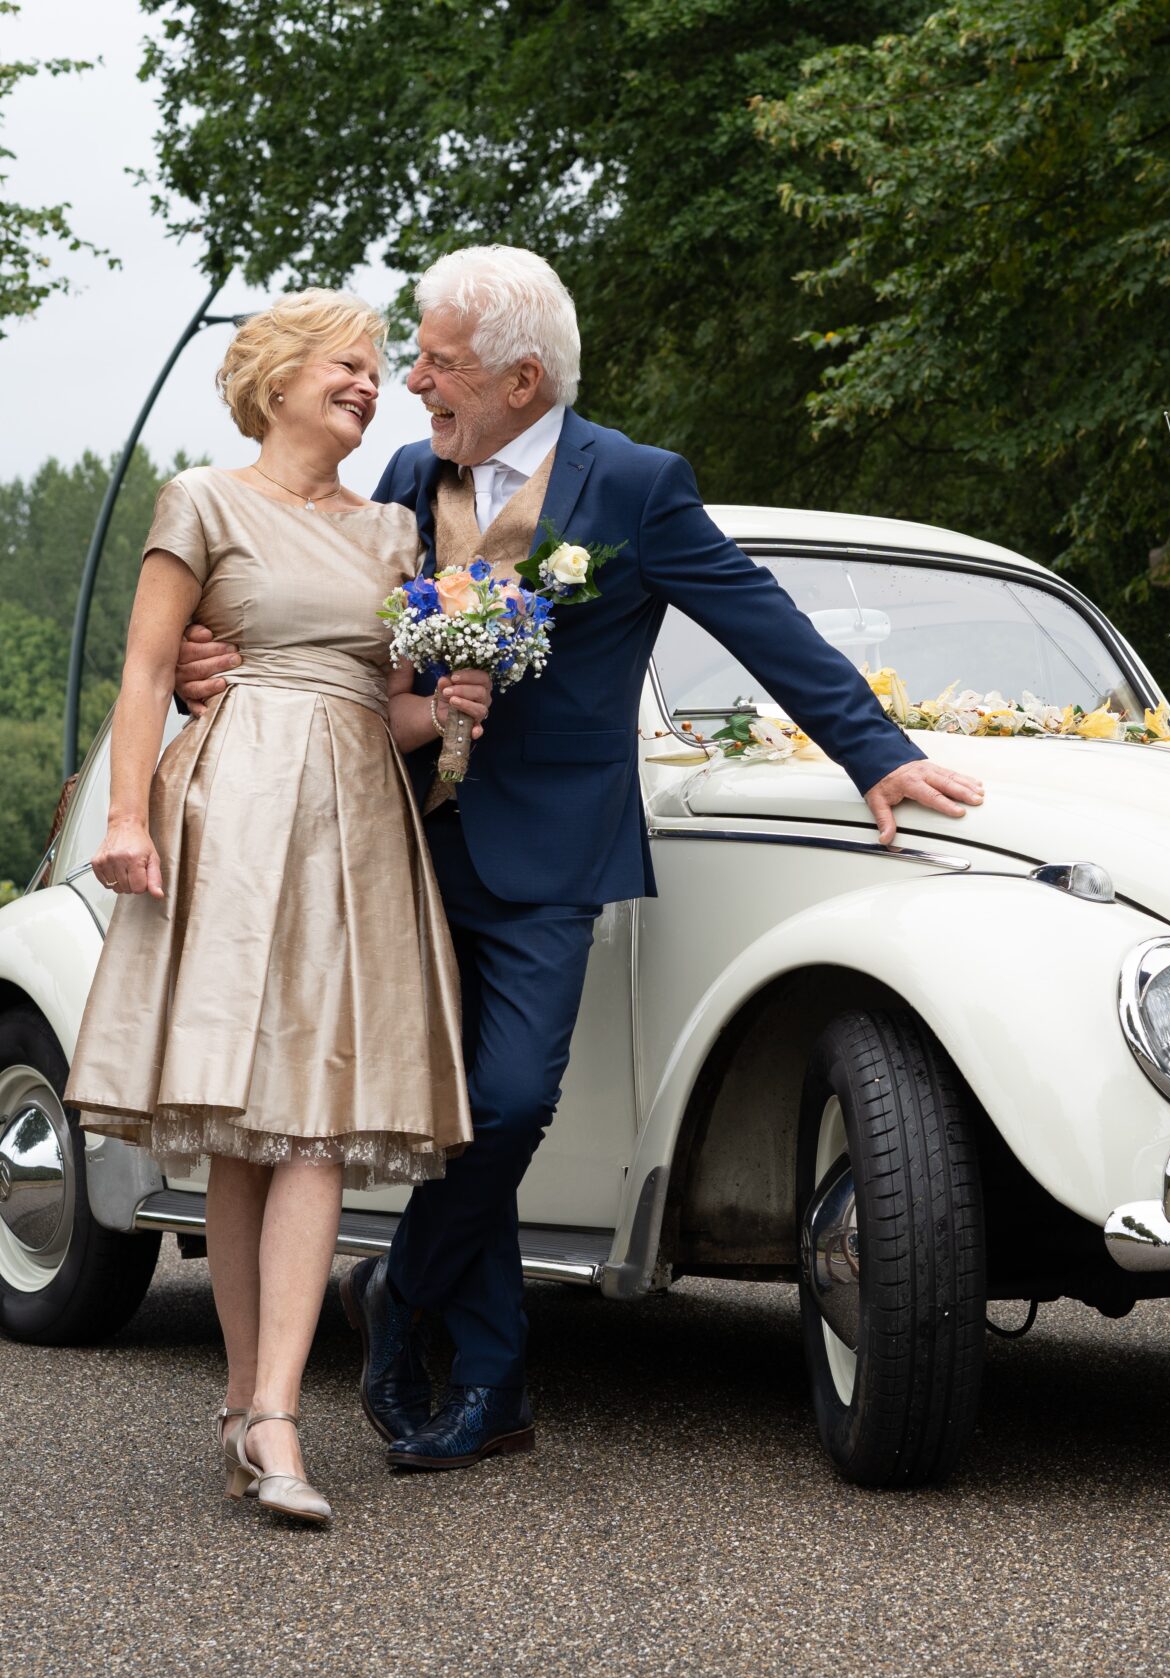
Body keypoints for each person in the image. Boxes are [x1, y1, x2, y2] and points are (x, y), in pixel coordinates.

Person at [175, 247, 985, 1472]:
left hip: (551, 850)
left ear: (521, 377)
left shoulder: (638, 486)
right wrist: (208, 665)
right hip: (388, 834)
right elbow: (330, 629)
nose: (413, 386)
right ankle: (491, 1385)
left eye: (438, 364)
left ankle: (405, 1292)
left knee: (504, 1104)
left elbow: (758, 615)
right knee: (441, 1121)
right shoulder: (406, 476)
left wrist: (874, 754)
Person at [65, 289, 493, 1525]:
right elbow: (151, 668)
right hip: (237, 812)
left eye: (375, 370)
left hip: (359, 824)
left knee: (312, 1122)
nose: (369, 385)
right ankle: (251, 1403)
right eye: (348, 367)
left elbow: (393, 709)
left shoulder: (395, 535)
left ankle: (277, 1416)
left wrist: (459, 700)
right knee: (245, 1130)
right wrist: (129, 819)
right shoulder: (201, 501)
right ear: (277, 379)